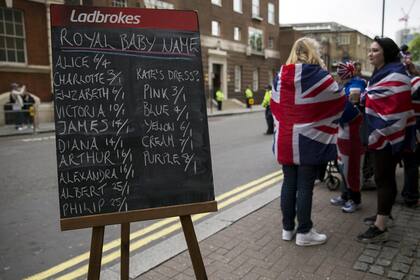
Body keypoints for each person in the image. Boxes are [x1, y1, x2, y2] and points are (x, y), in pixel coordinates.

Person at [271, 37, 345, 246]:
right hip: (308, 141)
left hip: (286, 139)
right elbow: (339, 101)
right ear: (314, 52)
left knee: (288, 183)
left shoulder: (280, 76)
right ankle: (304, 232)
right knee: (304, 186)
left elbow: (276, 107)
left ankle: (287, 229)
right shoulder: (320, 76)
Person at [357, 36, 416, 243]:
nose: (370, 54)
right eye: (370, 50)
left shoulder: (396, 74)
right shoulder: (382, 73)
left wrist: (366, 96)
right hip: (380, 134)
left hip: (387, 135)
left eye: (375, 50)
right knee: (385, 177)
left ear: (386, 53)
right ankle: (384, 213)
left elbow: (396, 109)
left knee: (383, 178)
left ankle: (380, 226)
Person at [330, 61, 367, 213]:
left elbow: (352, 110)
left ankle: (355, 199)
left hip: (353, 135)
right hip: (344, 133)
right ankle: (346, 195)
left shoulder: (355, 85)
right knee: (343, 166)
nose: (337, 74)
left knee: (352, 169)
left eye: (339, 72)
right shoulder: (347, 85)